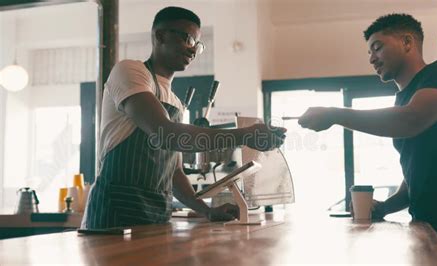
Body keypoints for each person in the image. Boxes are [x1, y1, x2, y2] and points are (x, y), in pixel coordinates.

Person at [81, 6, 286, 229]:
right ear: (160, 36)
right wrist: (245, 136)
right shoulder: (130, 71)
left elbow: (175, 171)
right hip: (115, 211)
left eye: (197, 45)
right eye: (188, 39)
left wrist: (206, 211)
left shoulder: (175, 102)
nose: (193, 50)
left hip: (156, 213)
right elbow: (166, 134)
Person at [298, 14, 437, 264]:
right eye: (369, 52)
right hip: (425, 226)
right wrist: (385, 207)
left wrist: (334, 114)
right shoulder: (402, 100)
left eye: (377, 47)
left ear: (407, 42)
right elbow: (417, 171)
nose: (371, 58)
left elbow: (410, 121)